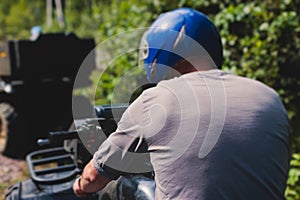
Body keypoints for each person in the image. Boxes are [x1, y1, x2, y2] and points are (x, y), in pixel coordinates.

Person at [73, 8, 290, 199]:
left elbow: (94, 177)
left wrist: (80, 186)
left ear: (158, 53)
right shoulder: (269, 97)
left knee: (124, 186)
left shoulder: (155, 99)